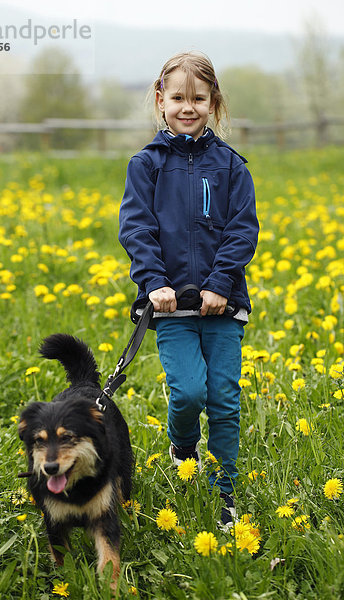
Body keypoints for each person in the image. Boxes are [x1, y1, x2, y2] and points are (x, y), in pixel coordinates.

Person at [118, 51, 259, 526]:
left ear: (213, 102)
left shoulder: (232, 167)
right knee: (189, 393)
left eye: (198, 98)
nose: (188, 106)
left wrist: (221, 284)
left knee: (223, 397)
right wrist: (154, 283)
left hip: (223, 307)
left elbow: (243, 230)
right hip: (171, 308)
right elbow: (136, 229)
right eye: (178, 97)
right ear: (161, 100)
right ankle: (182, 445)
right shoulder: (146, 165)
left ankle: (225, 496)